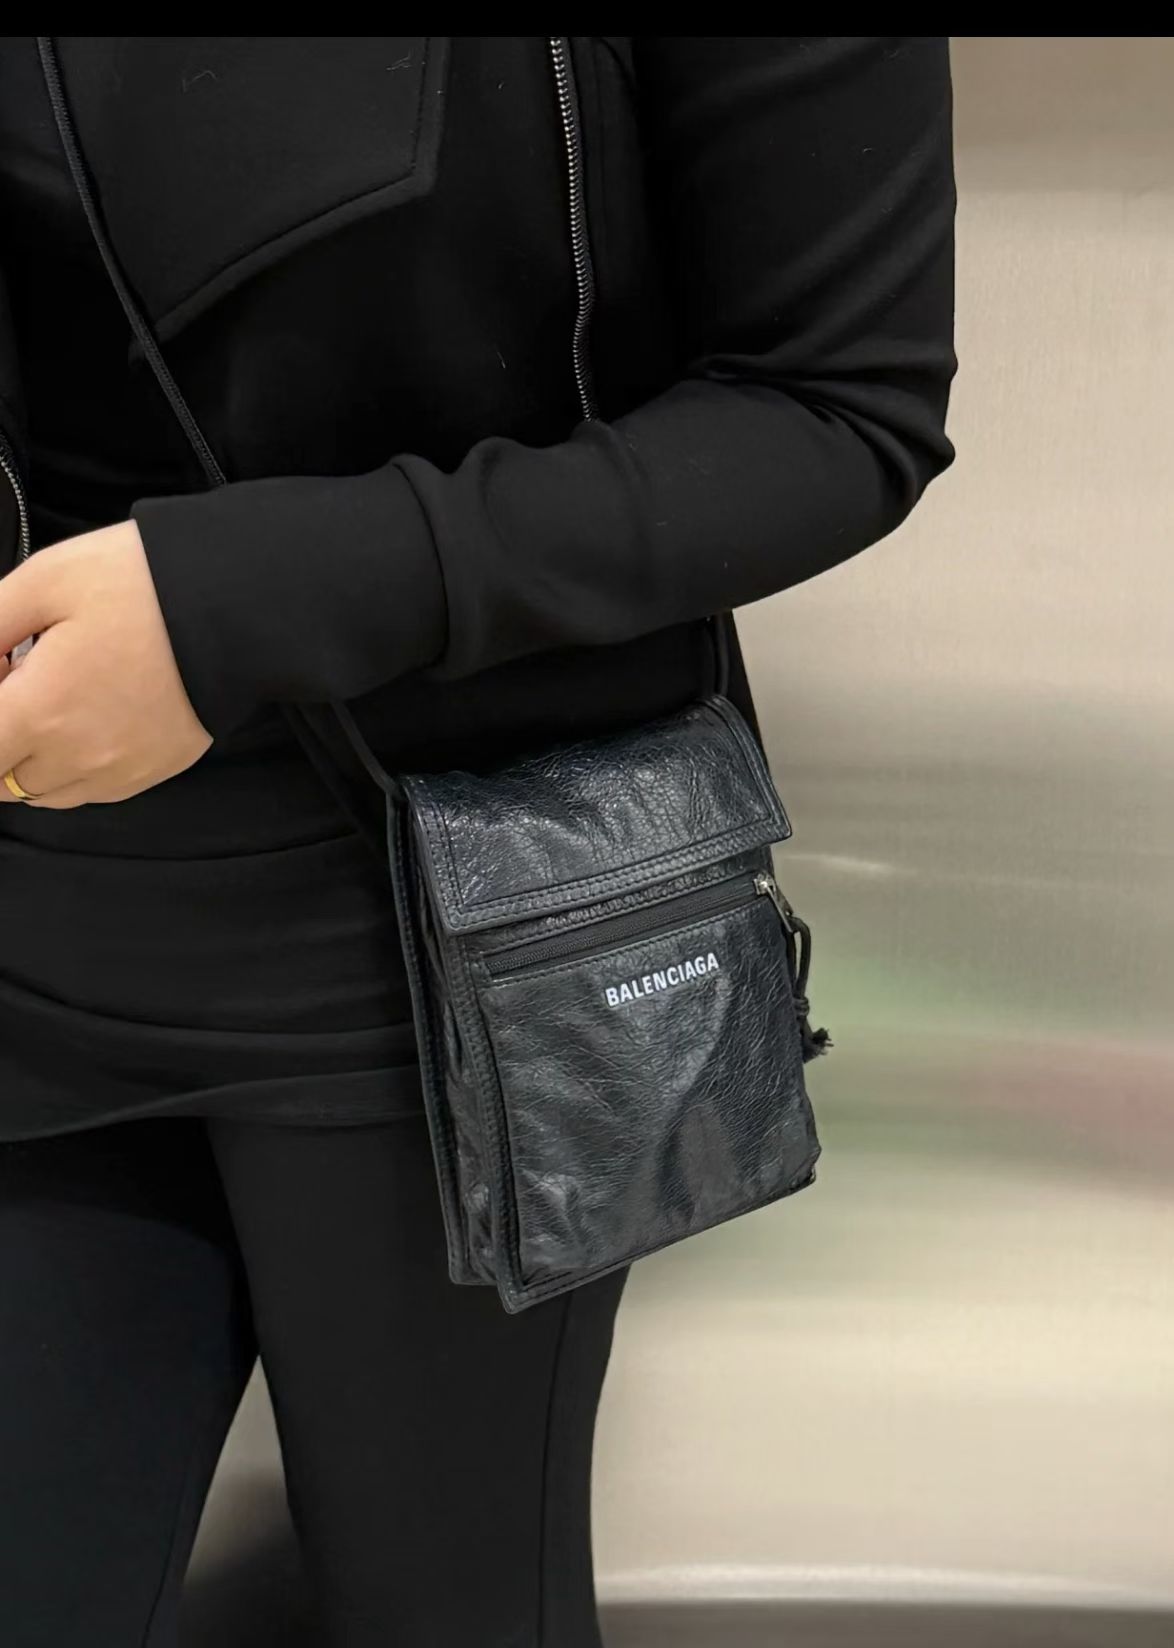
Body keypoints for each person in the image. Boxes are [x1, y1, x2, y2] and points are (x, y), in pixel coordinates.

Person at [0, 35, 956, 1648]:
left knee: (444, 1603)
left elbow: (833, 406)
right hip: (36, 900)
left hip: (457, 936)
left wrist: (232, 609)